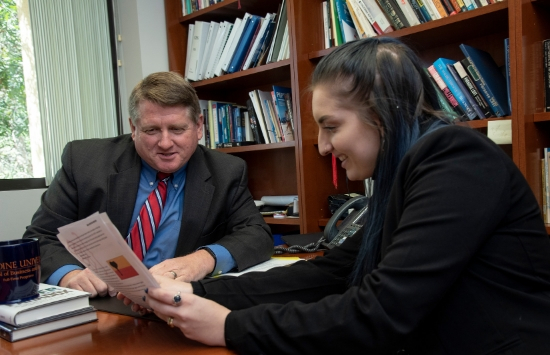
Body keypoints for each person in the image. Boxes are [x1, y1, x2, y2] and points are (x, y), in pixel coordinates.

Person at [130, 38, 550, 354]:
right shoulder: (406, 173)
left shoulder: (454, 158)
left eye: (331, 126)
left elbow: (381, 311)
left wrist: (229, 326)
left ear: (382, 114)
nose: (325, 147)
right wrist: (195, 295)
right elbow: (328, 274)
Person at [22, 71, 273, 298]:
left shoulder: (226, 171)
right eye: (152, 130)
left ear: (198, 127)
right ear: (134, 128)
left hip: (173, 303)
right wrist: (70, 275)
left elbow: (257, 235)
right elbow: (40, 237)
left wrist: (202, 261)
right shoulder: (85, 161)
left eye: (177, 129)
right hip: (100, 303)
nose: (165, 143)